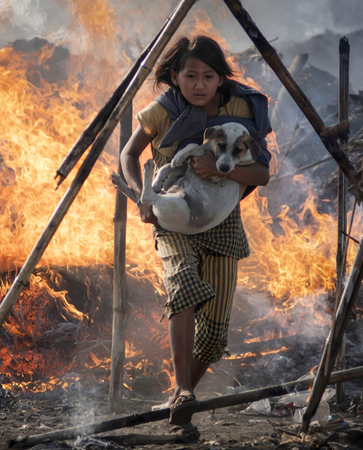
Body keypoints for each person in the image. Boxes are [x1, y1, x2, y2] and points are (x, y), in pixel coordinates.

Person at [120, 35, 272, 438]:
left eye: (209, 76)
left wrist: (219, 169)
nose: (200, 84)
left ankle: (178, 392)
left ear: (221, 80)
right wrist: (142, 196)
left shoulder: (241, 110)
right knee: (183, 283)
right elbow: (128, 154)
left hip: (223, 222)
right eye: (191, 75)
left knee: (216, 333)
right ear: (175, 76)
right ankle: (185, 390)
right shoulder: (162, 111)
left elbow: (262, 173)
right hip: (174, 215)